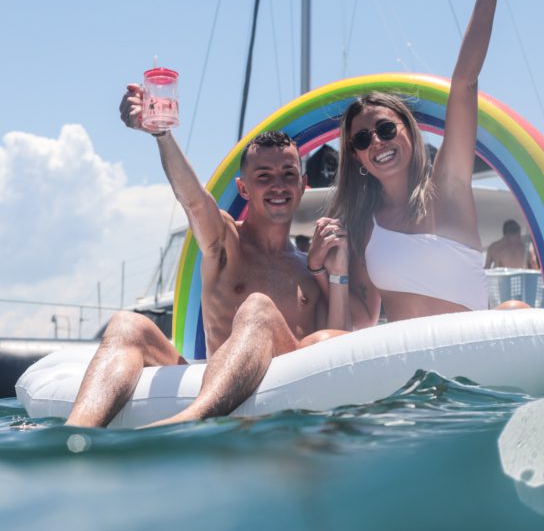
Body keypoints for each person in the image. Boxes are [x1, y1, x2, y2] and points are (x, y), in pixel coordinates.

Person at [65, 87, 349, 428]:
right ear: (243, 189)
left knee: (259, 309)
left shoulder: (309, 268)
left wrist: (333, 272)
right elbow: (195, 202)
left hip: (279, 401)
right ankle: (75, 435)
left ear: (302, 185)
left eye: (288, 175)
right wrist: (161, 135)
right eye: (264, 177)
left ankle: (188, 421)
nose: (278, 185)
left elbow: (332, 347)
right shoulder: (226, 241)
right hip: (219, 382)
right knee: (129, 325)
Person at [319, 0, 517, 327]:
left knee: (515, 312)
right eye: (363, 139)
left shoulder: (448, 188)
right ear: (358, 157)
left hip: (472, 361)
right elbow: (361, 322)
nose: (377, 142)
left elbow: (464, 84)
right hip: (409, 372)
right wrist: (325, 270)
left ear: (409, 131)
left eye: (386, 129)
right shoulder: (364, 227)